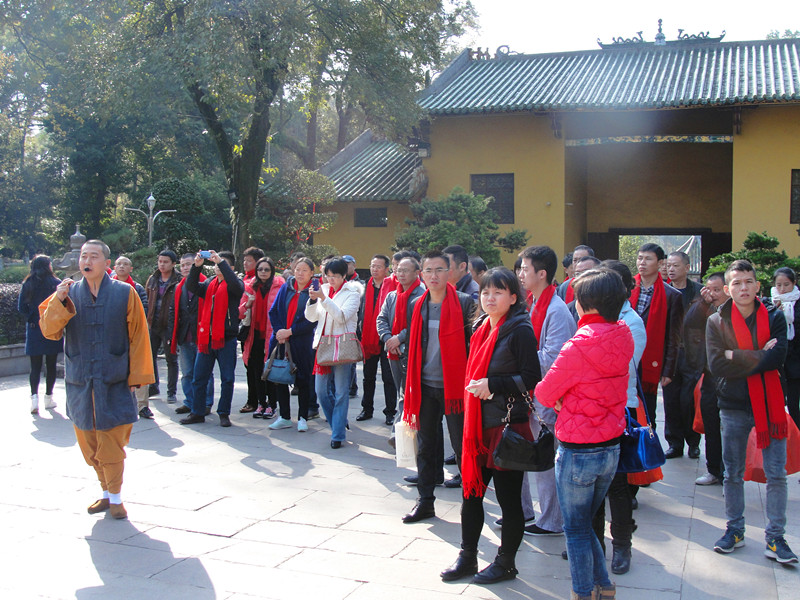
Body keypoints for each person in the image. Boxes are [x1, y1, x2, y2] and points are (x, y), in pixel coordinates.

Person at [536, 267, 633, 600]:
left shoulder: (578, 345)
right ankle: (604, 586)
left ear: (586, 305)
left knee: (575, 528)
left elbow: (545, 393)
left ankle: (582, 592)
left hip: (578, 449)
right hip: (610, 446)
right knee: (584, 521)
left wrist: (563, 398)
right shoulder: (623, 333)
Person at [39, 239, 154, 520]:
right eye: (83, 256)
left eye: (93, 256)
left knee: (111, 443)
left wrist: (138, 376)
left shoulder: (125, 293)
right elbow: (49, 331)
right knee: (89, 445)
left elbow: (139, 335)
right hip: (80, 381)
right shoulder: (67, 293)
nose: (86, 260)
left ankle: (115, 498)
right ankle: (105, 492)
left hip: (114, 380)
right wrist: (59, 301)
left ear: (106, 264)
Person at [440, 267, 541, 585]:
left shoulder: (520, 329)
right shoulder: (482, 325)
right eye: (485, 291)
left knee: (509, 502)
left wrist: (493, 384)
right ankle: (467, 556)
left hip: (506, 427)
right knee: (471, 495)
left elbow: (532, 377)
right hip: (477, 427)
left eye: (498, 292)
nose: (490, 297)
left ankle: (506, 563)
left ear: (513, 297)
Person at [706, 259, 797, 563]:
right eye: (736, 283)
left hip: (770, 404)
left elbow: (778, 358)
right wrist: (759, 354)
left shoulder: (774, 316)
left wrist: (736, 355)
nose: (743, 288)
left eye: (748, 282)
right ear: (728, 289)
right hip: (732, 404)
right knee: (732, 472)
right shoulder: (718, 321)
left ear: (758, 285)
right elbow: (717, 364)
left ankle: (776, 538)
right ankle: (735, 530)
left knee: (776, 474)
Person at [401, 251, 475, 522]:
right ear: (422, 274)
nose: (434, 275)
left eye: (440, 270)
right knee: (426, 446)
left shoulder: (465, 303)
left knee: (462, 447)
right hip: (424, 387)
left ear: (450, 272)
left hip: (456, 389)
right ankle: (425, 501)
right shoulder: (416, 304)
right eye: (429, 270)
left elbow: (474, 346)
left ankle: (471, 502)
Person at [517, 246, 576, 536]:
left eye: (525, 269)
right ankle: (526, 512)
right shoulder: (533, 302)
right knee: (528, 455)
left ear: (542, 274)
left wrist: (517, 358)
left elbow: (554, 359)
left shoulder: (556, 309)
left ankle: (552, 520)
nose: (520, 274)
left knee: (544, 459)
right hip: (530, 393)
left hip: (548, 397)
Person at [179, 250, 244, 427]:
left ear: (230, 267)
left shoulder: (235, 284)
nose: (217, 267)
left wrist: (221, 262)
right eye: (215, 264)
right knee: (199, 378)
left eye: (221, 264)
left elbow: (235, 285)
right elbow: (191, 286)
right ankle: (197, 412)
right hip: (206, 339)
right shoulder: (209, 284)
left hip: (226, 339)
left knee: (227, 378)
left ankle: (224, 413)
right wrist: (196, 267)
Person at [305, 257, 362, 447]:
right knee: (320, 391)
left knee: (341, 391)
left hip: (343, 345)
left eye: (335, 276)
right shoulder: (324, 289)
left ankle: (337, 435)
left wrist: (323, 298)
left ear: (344, 275)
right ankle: (337, 422)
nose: (331, 280)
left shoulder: (352, 292)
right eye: (328, 276)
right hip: (323, 344)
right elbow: (311, 317)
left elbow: (341, 317)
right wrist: (313, 301)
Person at [630, 243, 683, 430]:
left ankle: (646, 452)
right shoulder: (626, 288)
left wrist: (668, 369)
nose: (642, 263)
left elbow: (673, 336)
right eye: (640, 258)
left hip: (650, 363)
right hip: (627, 357)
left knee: (647, 411)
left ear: (660, 263)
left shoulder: (671, 295)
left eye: (648, 259)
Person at [684, 272, 728, 485]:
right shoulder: (707, 307)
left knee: (730, 428)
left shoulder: (738, 310)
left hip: (733, 377)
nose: (713, 294)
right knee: (711, 423)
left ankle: (730, 473)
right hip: (710, 376)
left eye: (717, 290)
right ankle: (713, 469)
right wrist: (703, 301)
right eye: (709, 289)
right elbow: (689, 323)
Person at [662, 251, 704, 459]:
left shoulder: (699, 292)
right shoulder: (664, 291)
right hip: (670, 353)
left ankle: (693, 442)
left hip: (692, 354)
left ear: (687, 268)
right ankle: (674, 443)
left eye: (676, 265)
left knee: (689, 400)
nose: (671, 269)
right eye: (669, 265)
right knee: (671, 400)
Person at [268, 257, 317, 431]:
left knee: (303, 379)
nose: (300, 273)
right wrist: (279, 331)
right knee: (280, 377)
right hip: (281, 340)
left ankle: (303, 417)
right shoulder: (286, 287)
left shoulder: (314, 291)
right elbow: (273, 311)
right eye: (297, 269)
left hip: (302, 341)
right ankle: (284, 416)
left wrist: (291, 331)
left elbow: (312, 320)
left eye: (304, 270)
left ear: (312, 273)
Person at [376, 256, 425, 412]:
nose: (400, 274)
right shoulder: (392, 296)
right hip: (393, 350)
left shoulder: (422, 295)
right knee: (400, 392)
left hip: (413, 351)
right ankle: (403, 429)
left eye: (405, 270)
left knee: (409, 393)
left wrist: (400, 338)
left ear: (417, 272)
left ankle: (400, 431)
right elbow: (381, 319)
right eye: (398, 270)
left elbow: (419, 323)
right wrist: (389, 339)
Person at [169, 253, 214, 416]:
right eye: (182, 265)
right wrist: (171, 334)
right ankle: (189, 401)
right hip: (184, 334)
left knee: (204, 372)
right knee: (187, 372)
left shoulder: (206, 283)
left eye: (189, 264)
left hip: (201, 335)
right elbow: (173, 311)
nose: (185, 268)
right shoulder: (178, 286)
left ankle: (206, 402)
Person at [240, 257, 285, 419]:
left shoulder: (280, 286)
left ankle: (272, 405)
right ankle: (261, 403)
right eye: (260, 270)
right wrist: (248, 305)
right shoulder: (250, 287)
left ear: (272, 271)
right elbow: (240, 312)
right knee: (256, 371)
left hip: (271, 336)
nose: (263, 272)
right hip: (254, 336)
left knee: (271, 371)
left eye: (267, 269)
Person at [18, 255, 63, 414]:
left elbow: (21, 308)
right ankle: (49, 397)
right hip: (51, 328)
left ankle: (34, 398)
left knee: (35, 366)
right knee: (51, 365)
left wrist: (32, 316)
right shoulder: (56, 284)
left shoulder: (28, 283)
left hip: (34, 328)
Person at [357, 254, 398, 424]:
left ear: (387, 269)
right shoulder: (366, 286)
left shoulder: (392, 285)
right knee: (368, 377)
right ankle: (367, 409)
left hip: (386, 337)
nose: (374, 269)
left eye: (378, 266)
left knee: (389, 378)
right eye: (372, 266)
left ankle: (390, 412)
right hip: (368, 337)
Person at [113, 256, 151, 418]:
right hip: (113, 336)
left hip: (133, 333)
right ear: (114, 267)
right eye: (119, 264)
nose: (122, 267)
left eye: (126, 264)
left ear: (131, 269)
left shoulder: (137, 287)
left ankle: (142, 405)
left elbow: (143, 307)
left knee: (139, 368)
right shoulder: (105, 286)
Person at [144, 249, 181, 404]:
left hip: (169, 325)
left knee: (171, 358)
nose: (162, 264)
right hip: (153, 323)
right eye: (160, 261)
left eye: (166, 262)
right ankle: (153, 386)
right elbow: (146, 299)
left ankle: (171, 391)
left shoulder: (178, 280)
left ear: (173, 264)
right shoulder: (153, 279)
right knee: (150, 357)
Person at [771, 267, 800, 428]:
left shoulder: (798, 302)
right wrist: (776, 313)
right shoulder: (770, 303)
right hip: (779, 362)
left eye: (786, 285)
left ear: (794, 283)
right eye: (779, 285)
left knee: (794, 404)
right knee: (779, 404)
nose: (782, 289)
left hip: (796, 360)